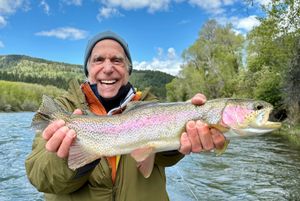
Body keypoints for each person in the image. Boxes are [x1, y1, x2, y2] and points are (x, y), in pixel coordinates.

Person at [25, 31, 226, 201]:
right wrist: (67, 156)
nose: (108, 68)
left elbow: (163, 158)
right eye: (98, 60)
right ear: (87, 70)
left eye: (117, 60)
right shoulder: (63, 110)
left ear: (128, 70)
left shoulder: (152, 108)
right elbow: (38, 176)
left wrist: (179, 142)